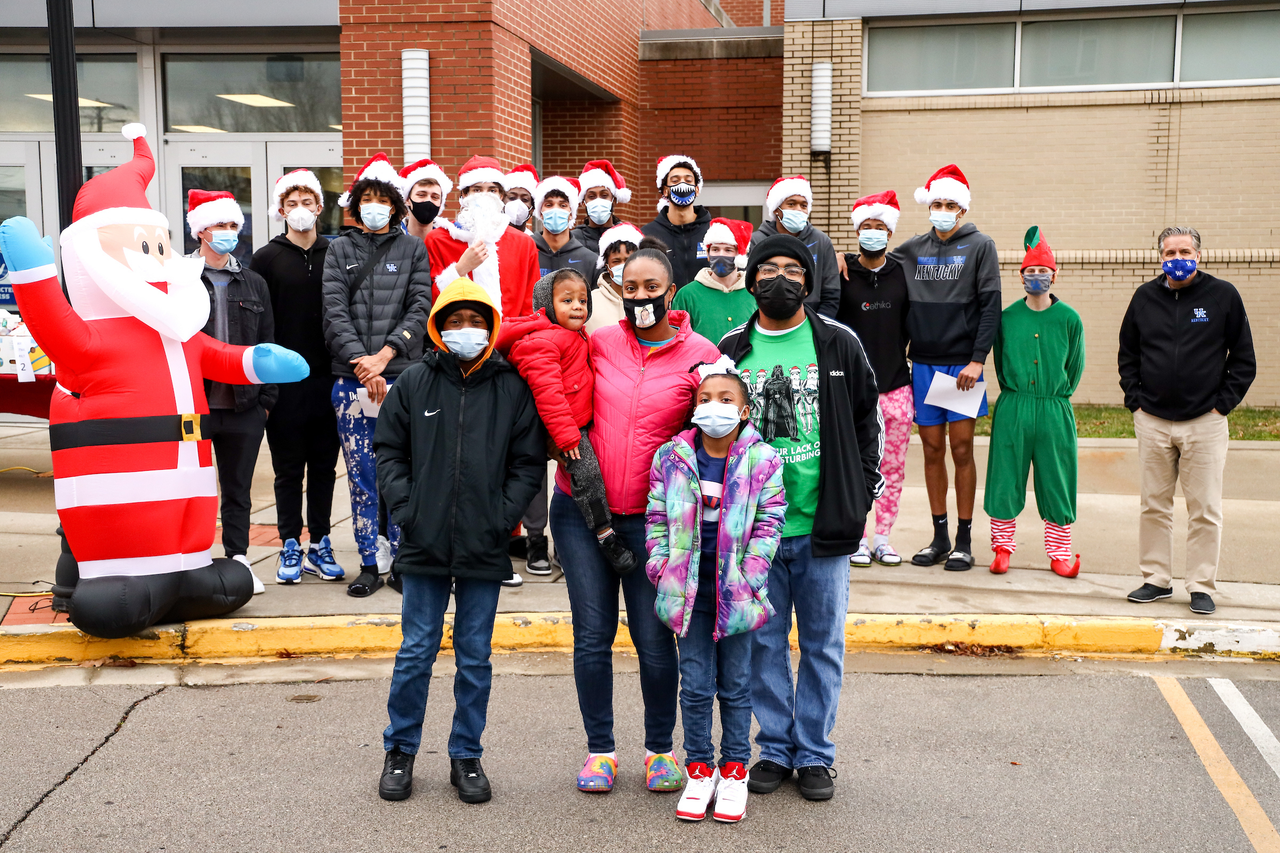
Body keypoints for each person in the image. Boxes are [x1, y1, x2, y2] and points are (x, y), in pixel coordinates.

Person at [719, 233, 884, 802]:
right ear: (752, 280)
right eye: (769, 270)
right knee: (763, 645)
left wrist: (860, 493)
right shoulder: (732, 347)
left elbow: (870, 421)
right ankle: (776, 747)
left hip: (823, 526)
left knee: (820, 645)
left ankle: (814, 753)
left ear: (809, 283)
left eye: (793, 269)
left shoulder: (838, 343)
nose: (780, 279)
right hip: (757, 529)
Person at [551, 246, 720, 796]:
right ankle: (600, 751)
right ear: (618, 292)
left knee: (653, 640)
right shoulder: (595, 343)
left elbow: (718, 430)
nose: (641, 297)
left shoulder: (700, 354)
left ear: (671, 293)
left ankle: (658, 750)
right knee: (592, 636)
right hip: (583, 514)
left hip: (655, 521)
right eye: (630, 287)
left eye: (651, 287)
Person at [375, 278, 545, 805]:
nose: (465, 330)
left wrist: (501, 518)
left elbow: (525, 463)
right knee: (416, 652)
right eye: (454, 321)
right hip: (423, 543)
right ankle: (400, 750)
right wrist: (408, 511)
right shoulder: (413, 384)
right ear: (437, 327)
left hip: (484, 542)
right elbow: (388, 452)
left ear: (491, 328)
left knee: (475, 657)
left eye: (475, 321)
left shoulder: (511, 386)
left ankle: (466, 755)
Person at [645, 356, 787, 823]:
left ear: (744, 411)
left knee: (737, 685)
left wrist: (750, 575)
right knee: (696, 685)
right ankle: (700, 768)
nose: (714, 407)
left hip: (737, 594)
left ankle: (733, 769)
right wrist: (660, 565)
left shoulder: (762, 459)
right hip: (687, 593)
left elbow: (770, 522)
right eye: (705, 399)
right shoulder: (672, 457)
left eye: (726, 400)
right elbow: (656, 517)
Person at [1119, 226, 1256, 615]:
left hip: (1205, 422)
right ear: (1159, 257)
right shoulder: (1144, 298)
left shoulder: (1222, 296)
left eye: (1184, 251)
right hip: (1153, 420)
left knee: (1206, 508)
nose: (1176, 258)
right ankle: (1156, 579)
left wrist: (1221, 406)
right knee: (1154, 505)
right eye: (1169, 252)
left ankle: (1200, 584)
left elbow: (1243, 360)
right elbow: (1128, 354)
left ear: (1199, 254)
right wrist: (1136, 403)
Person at [322, 153, 432, 598]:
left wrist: (385, 356)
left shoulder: (413, 249)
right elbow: (333, 312)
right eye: (365, 200)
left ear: (394, 206)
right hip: (352, 382)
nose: (374, 207)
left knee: (403, 473)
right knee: (362, 473)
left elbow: (420, 307)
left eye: (381, 200)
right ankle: (369, 561)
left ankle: (403, 561)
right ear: (355, 206)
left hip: (403, 379)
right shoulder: (340, 249)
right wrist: (361, 362)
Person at [892, 164, 1001, 572]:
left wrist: (977, 359)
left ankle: (964, 539)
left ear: (962, 209)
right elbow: (877, 264)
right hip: (922, 364)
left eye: (950, 204)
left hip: (961, 367)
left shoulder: (980, 246)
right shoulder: (913, 248)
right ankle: (938, 537)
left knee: (960, 450)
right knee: (932, 450)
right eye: (936, 202)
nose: (942, 209)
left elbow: (991, 307)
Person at [496, 268, 636, 574]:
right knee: (586, 473)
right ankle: (604, 532)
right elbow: (549, 393)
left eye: (583, 301)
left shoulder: (572, 334)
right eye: (567, 300)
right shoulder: (541, 341)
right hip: (564, 428)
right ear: (546, 303)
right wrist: (567, 436)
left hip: (575, 422)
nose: (577, 307)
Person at [250, 170, 343, 585]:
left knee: (324, 467)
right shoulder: (266, 258)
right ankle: (289, 542)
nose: (300, 211)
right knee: (289, 470)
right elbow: (258, 324)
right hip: (284, 384)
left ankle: (321, 542)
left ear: (320, 208)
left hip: (329, 378)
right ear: (280, 210)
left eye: (308, 203)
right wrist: (263, 387)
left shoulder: (336, 254)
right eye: (292, 204)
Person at [186, 188, 276, 596]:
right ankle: (192, 561)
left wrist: (266, 402)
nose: (227, 233)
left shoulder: (253, 282)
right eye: (219, 225)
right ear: (201, 230)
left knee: (238, 491)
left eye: (233, 226)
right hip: (195, 406)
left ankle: (238, 560)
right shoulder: (180, 280)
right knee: (193, 489)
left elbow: (267, 343)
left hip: (244, 407)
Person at [985, 228, 1085, 578]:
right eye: (1031, 272)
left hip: (1054, 406)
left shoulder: (1070, 319)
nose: (1037, 277)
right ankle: (1001, 549)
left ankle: (1059, 553)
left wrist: (1054, 392)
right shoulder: (1007, 317)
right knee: (1005, 476)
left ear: (1054, 275)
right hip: (1015, 405)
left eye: (1044, 272)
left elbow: (1075, 366)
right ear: (1021, 275)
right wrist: (1018, 392)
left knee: (1057, 477)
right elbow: (1000, 362)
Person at [837, 190, 911, 568]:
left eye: (879, 227)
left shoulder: (904, 272)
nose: (872, 232)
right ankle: (859, 537)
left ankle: (883, 537)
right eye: (866, 226)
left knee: (892, 467)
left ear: (890, 232)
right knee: (853, 465)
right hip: (852, 391)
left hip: (897, 387)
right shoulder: (842, 271)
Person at [425, 155, 539, 319]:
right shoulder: (438, 240)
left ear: (501, 196)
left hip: (511, 341)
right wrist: (459, 270)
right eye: (477, 190)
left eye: (492, 190)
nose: (485, 196)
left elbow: (531, 306)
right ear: (464, 195)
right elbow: (430, 301)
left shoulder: (524, 244)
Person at [750, 176, 841, 317]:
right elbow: (749, 287)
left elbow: (831, 293)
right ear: (776, 209)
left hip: (813, 320)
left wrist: (819, 326)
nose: (798, 210)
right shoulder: (757, 241)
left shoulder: (822, 241)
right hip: (766, 318)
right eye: (791, 204)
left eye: (804, 205)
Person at [670, 217, 756, 345]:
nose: (721, 255)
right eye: (715, 249)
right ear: (708, 254)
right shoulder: (687, 295)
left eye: (728, 250)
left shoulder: (755, 293)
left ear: (739, 255)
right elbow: (676, 341)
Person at [642, 155, 711, 291]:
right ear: (665, 190)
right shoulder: (647, 235)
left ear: (697, 189)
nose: (682, 184)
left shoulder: (714, 231)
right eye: (675, 180)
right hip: (665, 311)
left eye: (688, 180)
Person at [585, 222, 644, 336]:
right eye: (616, 261)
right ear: (606, 265)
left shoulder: (647, 298)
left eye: (628, 260)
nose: (623, 266)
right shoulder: (590, 301)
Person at [533, 175, 597, 276]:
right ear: (540, 212)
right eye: (549, 205)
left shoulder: (590, 261)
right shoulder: (526, 252)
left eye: (563, 205)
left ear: (571, 213)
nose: (555, 210)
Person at [573, 159, 631, 254]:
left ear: (614, 200)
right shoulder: (573, 240)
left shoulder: (628, 237)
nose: (598, 201)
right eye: (591, 196)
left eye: (604, 195)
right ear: (583, 202)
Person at [399, 158, 453, 242]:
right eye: (421, 195)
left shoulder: (448, 241)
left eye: (435, 197)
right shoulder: (391, 240)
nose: (428, 200)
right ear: (407, 200)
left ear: (440, 204)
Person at [503, 164, 539, 234]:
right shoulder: (489, 238)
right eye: (512, 198)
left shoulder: (533, 242)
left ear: (532, 208)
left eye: (525, 199)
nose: (518, 203)